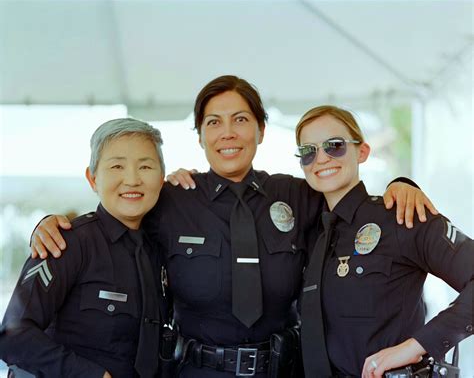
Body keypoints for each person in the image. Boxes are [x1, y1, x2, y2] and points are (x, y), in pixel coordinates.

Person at [28, 76, 436, 378]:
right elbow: (116, 213)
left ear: (260, 129)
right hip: (195, 371)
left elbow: (344, 193)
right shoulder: (171, 200)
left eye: (240, 119)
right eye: (213, 122)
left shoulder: (297, 195)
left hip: (282, 370)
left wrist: (403, 186)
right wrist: (49, 225)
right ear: (200, 137)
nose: (228, 133)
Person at [295, 105, 473, 378]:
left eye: (334, 145)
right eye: (308, 151)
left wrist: (419, 346)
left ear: (362, 152)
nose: (321, 159)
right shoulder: (308, 231)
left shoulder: (403, 216)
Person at [0, 118, 168, 378]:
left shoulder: (162, 249)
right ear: (92, 179)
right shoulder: (64, 243)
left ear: (161, 178)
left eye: (145, 166)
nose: (132, 179)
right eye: (117, 166)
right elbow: (14, 335)